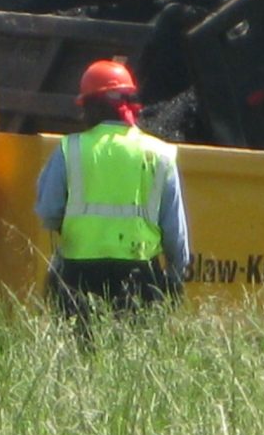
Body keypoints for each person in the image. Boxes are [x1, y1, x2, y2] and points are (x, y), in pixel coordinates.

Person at [33, 59, 188, 319]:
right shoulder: (160, 154)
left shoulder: (70, 149)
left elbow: (48, 212)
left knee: (79, 343)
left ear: (89, 106)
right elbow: (174, 229)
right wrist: (174, 276)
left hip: (78, 274)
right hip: (141, 275)